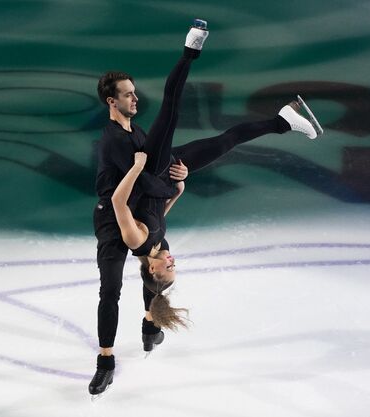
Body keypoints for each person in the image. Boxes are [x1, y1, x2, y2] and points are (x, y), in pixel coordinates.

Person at [90, 18, 323, 396]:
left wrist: (176, 181)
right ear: (111, 101)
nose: (135, 98)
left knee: (222, 142)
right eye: (128, 94)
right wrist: (171, 182)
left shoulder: (135, 135)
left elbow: (151, 191)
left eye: (134, 92)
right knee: (110, 290)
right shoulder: (114, 141)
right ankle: (105, 359)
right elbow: (137, 186)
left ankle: (283, 120)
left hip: (145, 190)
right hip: (114, 219)